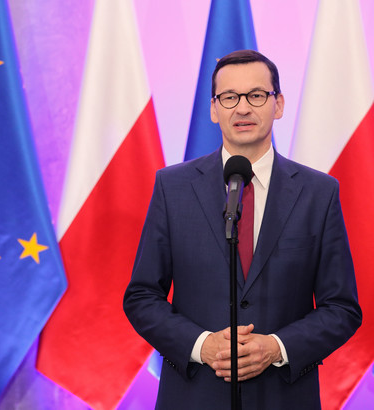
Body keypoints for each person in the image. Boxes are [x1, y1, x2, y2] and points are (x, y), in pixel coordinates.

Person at [123, 50, 361, 409]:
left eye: (256, 95)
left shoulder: (318, 192)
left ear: (278, 104)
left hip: (283, 396)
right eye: (230, 97)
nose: (243, 108)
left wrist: (276, 348)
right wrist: (202, 345)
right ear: (214, 109)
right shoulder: (173, 188)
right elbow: (141, 296)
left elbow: (342, 308)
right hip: (194, 396)